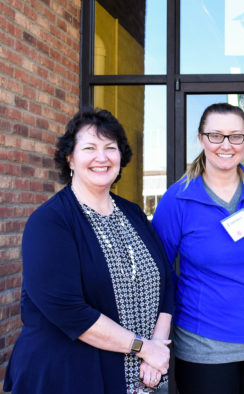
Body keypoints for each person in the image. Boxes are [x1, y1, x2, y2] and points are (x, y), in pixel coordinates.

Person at [3, 108, 174, 394]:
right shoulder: (50, 221)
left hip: (143, 377)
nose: (102, 157)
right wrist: (143, 347)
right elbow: (67, 309)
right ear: (70, 158)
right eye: (90, 148)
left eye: (110, 148)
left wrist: (157, 350)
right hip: (70, 376)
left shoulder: (132, 213)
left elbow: (166, 279)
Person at [152, 103, 244, 394]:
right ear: (201, 139)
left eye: (235, 136)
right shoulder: (178, 199)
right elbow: (161, 269)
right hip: (203, 345)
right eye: (216, 135)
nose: (225, 145)